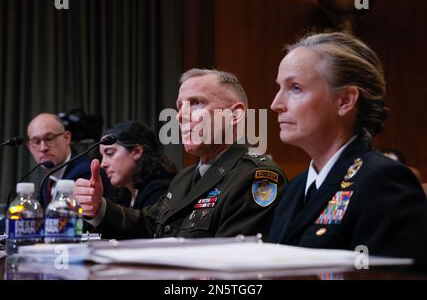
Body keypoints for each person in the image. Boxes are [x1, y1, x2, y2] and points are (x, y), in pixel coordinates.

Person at [269, 32, 427, 266]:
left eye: (295, 88)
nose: (276, 105)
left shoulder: (383, 182)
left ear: (345, 101)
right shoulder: (295, 188)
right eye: (279, 88)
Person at [74, 69, 287, 239]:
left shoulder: (256, 177)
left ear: (234, 115)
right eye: (179, 106)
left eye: (197, 103)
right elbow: (149, 227)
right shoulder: (185, 177)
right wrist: (98, 206)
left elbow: (231, 266)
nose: (181, 116)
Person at [26, 113, 112, 208]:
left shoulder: (85, 173)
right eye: (36, 142)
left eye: (49, 138)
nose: (43, 148)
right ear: (30, 147)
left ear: (67, 138)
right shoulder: (48, 180)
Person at [99, 121, 177, 211]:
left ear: (137, 152)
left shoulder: (159, 192)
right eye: (102, 156)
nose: (103, 164)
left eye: (110, 153)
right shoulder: (123, 194)